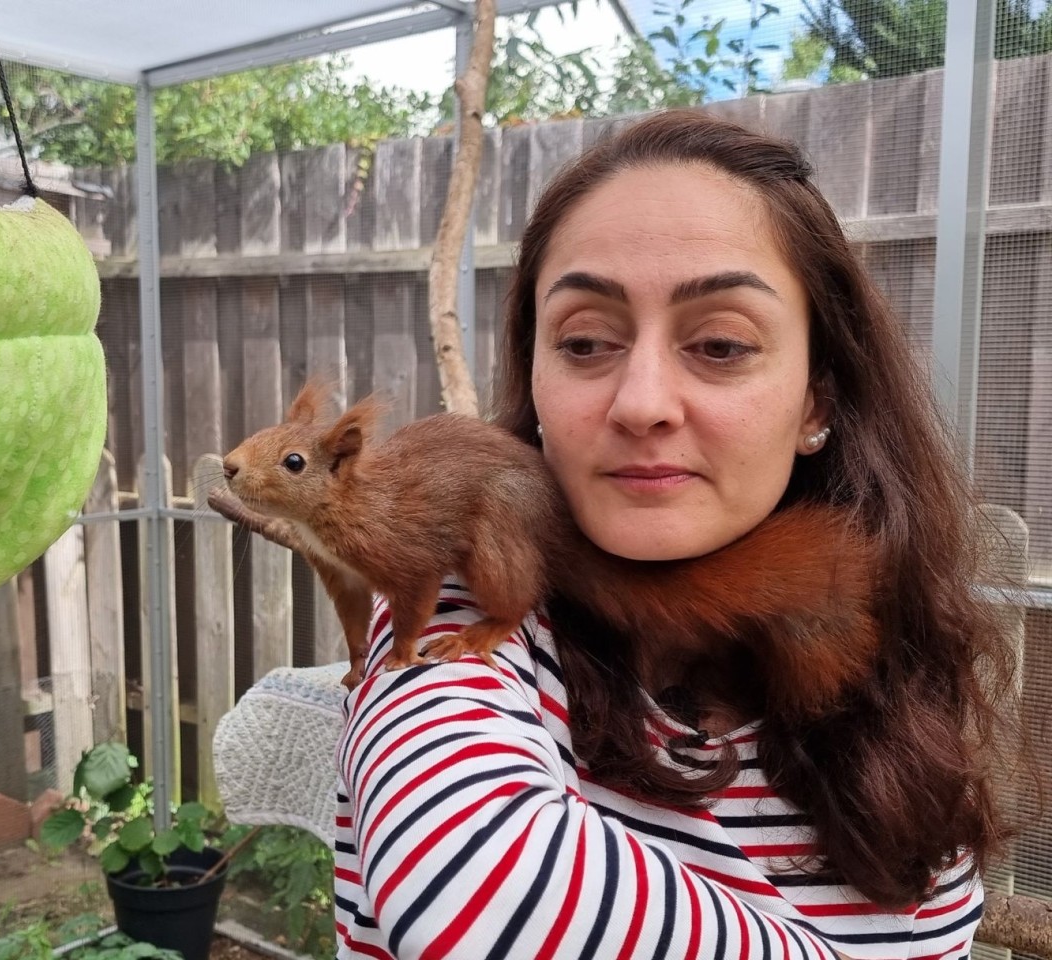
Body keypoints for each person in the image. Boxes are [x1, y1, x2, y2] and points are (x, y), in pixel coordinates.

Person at [333, 109, 1021, 960]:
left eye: (721, 345)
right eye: (585, 342)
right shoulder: (467, 607)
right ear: (536, 382)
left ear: (817, 401)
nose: (641, 402)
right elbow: (474, 888)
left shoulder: (892, 725)